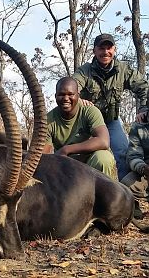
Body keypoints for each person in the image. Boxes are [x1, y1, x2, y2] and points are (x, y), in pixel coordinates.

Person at [73, 33, 149, 180]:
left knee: (123, 153)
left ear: (114, 50)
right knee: (80, 156)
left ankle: (124, 194)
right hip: (88, 124)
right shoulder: (84, 70)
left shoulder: (123, 70)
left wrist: (143, 109)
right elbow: (72, 88)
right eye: (101, 48)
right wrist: (80, 100)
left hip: (111, 121)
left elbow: (144, 87)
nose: (105, 52)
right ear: (94, 50)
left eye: (109, 48)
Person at [43, 77, 117, 180]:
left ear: (78, 95)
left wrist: (66, 149)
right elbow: (43, 156)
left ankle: (106, 194)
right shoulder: (48, 120)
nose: (65, 98)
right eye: (61, 95)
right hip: (66, 167)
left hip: (90, 163)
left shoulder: (90, 111)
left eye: (70, 94)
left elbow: (104, 141)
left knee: (103, 158)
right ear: (55, 96)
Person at [121, 116, 149, 219]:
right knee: (125, 187)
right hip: (145, 171)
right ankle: (133, 207)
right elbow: (133, 156)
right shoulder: (138, 127)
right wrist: (143, 168)